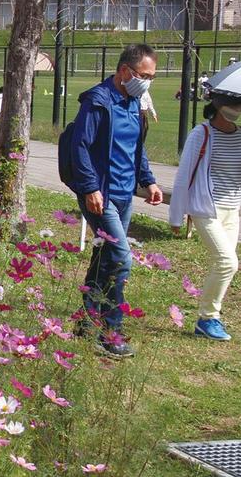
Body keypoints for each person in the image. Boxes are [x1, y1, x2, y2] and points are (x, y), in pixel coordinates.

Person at [68, 44, 163, 358]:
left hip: (124, 194)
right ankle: (111, 331)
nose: (147, 82)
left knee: (105, 259)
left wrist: (147, 181)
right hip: (101, 195)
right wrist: (90, 187)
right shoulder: (97, 101)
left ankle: (86, 322)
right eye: (144, 75)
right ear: (125, 71)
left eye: (151, 77)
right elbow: (80, 146)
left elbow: (136, 148)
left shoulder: (134, 101)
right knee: (121, 259)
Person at [169, 92, 241, 341]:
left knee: (224, 265)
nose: (236, 108)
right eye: (233, 103)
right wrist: (176, 216)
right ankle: (208, 318)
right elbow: (183, 176)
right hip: (205, 209)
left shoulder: (240, 135)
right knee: (227, 263)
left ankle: (210, 317)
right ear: (219, 104)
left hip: (232, 210)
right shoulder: (201, 133)